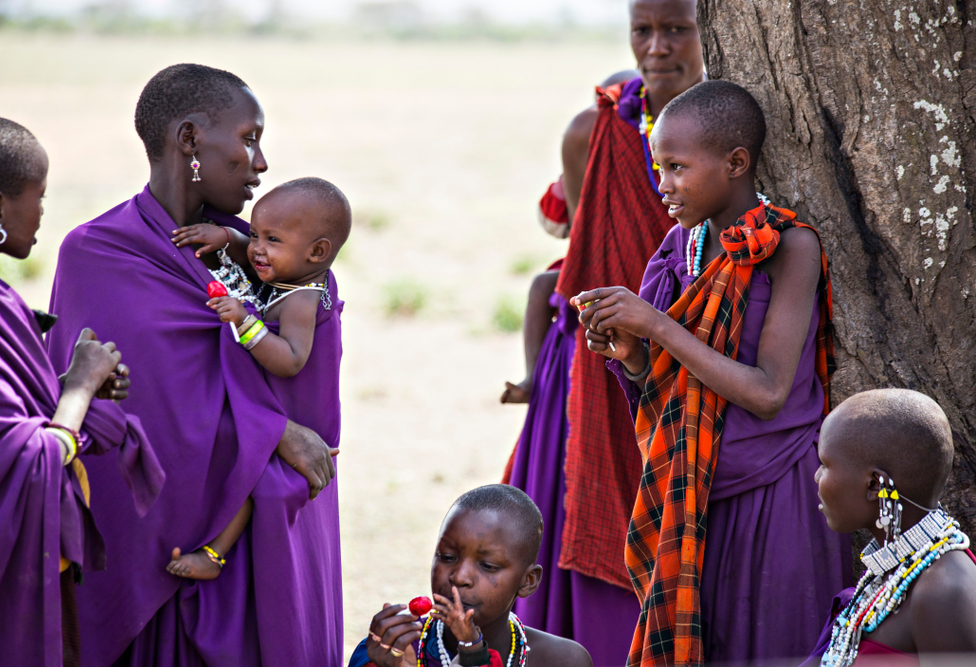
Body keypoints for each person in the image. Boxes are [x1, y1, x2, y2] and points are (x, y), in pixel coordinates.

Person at [46, 64, 344, 666]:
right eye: (249, 138)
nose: (261, 163)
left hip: (271, 528)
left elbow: (308, 355)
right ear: (189, 141)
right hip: (169, 542)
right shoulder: (99, 252)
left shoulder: (258, 248)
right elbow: (125, 410)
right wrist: (275, 431)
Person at [574, 80, 850, 665]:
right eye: (658, 168)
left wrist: (659, 326)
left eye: (676, 167)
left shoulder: (786, 247)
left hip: (775, 494)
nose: (663, 186)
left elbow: (771, 392)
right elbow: (665, 379)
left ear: (736, 163)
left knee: (772, 647)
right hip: (694, 493)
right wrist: (629, 350)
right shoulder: (681, 247)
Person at [502, 3, 705, 663]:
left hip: (695, 360)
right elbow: (569, 235)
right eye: (642, 30)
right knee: (589, 523)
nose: (657, 47)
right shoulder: (597, 129)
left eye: (677, 29)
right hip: (592, 363)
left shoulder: (740, 124)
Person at [0, 114, 163, 667]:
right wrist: (79, 389)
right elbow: (25, 456)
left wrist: (77, 394)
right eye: (38, 196)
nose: (40, 212)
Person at [164, 176, 351, 580]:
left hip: (306, 418)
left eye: (272, 240)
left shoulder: (301, 299)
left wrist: (245, 322)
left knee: (261, 480)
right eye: (253, 234)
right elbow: (255, 254)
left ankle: (214, 555)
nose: (256, 250)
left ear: (318, 251)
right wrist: (226, 236)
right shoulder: (293, 270)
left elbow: (290, 360)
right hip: (284, 404)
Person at [803, 388, 976, 665]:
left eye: (825, 464)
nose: (816, 476)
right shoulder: (890, 573)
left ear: (874, 484)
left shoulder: (943, 591)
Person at [501, 69, 638, 406]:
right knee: (544, 284)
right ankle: (531, 378)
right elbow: (553, 220)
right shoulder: (580, 162)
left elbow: (551, 221)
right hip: (585, 262)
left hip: (626, 263)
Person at [347, 485, 593, 667]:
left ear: (527, 581)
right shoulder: (393, 648)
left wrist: (473, 654)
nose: (460, 577)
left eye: (487, 565)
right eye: (447, 557)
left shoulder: (561, 660)